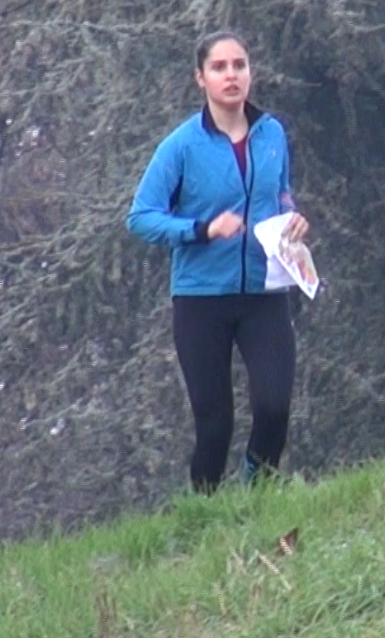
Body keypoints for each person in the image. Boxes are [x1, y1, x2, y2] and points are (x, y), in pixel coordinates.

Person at [127, 30, 309, 494]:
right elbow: (141, 217)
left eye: (239, 65)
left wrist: (292, 218)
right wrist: (202, 229)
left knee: (274, 409)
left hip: (264, 293)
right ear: (200, 78)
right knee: (215, 425)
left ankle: (256, 495)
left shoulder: (272, 133)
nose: (231, 75)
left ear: (251, 73)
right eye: (219, 67)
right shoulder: (182, 146)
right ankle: (204, 514)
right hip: (201, 299)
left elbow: (280, 192)